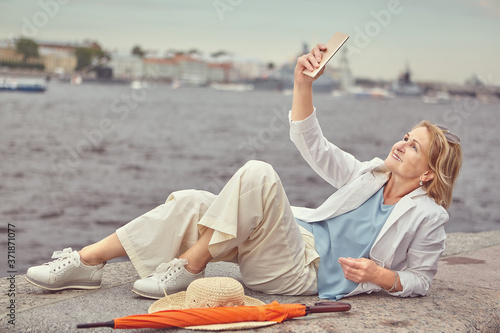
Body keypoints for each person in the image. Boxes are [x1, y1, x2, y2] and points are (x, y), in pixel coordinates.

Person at [26, 44, 462, 301]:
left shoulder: (428, 217)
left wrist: (383, 277)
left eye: (414, 146)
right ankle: (86, 261)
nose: (401, 143)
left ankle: (190, 266)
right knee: (195, 200)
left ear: (428, 174)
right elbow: (311, 143)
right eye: (405, 135)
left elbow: (421, 279)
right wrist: (303, 84)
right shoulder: (370, 174)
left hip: (306, 273)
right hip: (293, 240)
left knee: (257, 171)